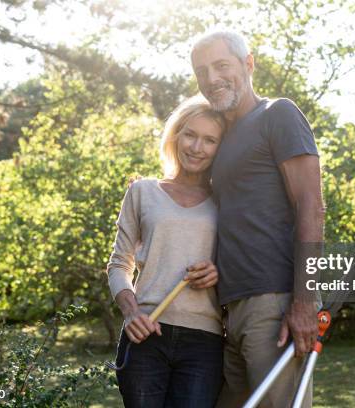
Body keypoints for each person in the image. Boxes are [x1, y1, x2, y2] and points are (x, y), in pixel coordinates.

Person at [190, 30, 325, 408]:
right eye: (202, 71)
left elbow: (311, 206)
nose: (211, 78)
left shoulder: (277, 114)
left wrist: (303, 301)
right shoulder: (221, 138)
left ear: (248, 64)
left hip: (274, 302)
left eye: (221, 65)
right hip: (228, 310)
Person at [106, 96, 226, 408]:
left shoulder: (227, 201)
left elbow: (240, 261)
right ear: (175, 135)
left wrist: (219, 271)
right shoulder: (142, 191)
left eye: (209, 140)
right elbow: (119, 264)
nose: (197, 147)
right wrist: (131, 312)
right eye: (190, 134)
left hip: (205, 341)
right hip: (145, 335)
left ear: (220, 147)